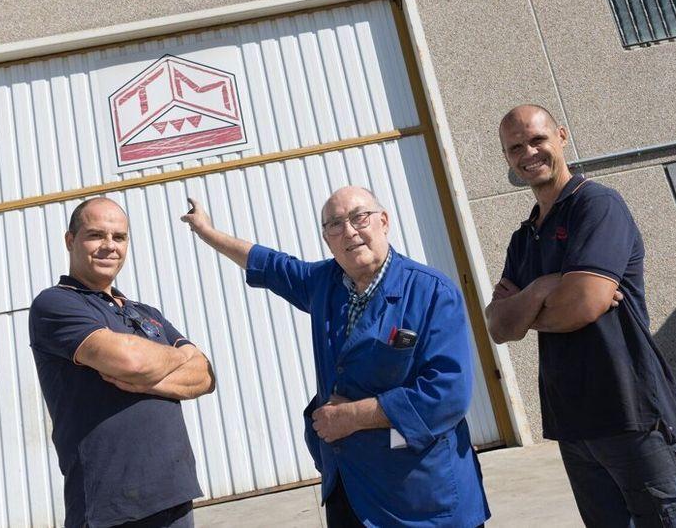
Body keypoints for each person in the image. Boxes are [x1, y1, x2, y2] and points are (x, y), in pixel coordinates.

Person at [182, 187, 490, 528]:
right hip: (350, 491)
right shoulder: (323, 283)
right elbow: (267, 263)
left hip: (420, 496)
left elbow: (447, 395)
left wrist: (353, 416)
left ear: (384, 221)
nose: (350, 231)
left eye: (360, 217)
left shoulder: (432, 292)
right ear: (327, 240)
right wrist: (208, 232)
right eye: (335, 224)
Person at [485, 104, 676, 527]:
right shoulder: (524, 237)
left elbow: (585, 304)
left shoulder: (597, 206)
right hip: (572, 424)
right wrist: (542, 288)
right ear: (507, 158)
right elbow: (498, 326)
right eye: (515, 147)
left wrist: (529, 308)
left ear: (562, 137)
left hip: (632, 414)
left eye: (538, 139)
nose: (528, 152)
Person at [29, 197, 214, 528]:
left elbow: (205, 375)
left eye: (119, 237)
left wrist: (150, 378)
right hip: (110, 507)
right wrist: (177, 356)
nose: (109, 246)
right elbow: (130, 360)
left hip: (173, 493)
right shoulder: (55, 304)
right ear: (70, 241)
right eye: (96, 235)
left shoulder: (146, 313)